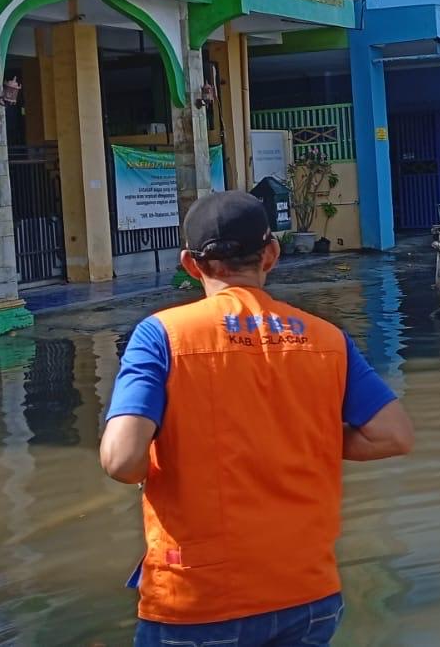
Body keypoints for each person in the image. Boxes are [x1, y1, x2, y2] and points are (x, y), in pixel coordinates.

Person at [100, 191, 414, 646]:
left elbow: (121, 461)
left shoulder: (162, 336)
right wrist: (302, 433)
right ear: (271, 254)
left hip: (198, 599)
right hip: (306, 595)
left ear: (191, 265)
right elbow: (394, 436)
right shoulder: (327, 339)